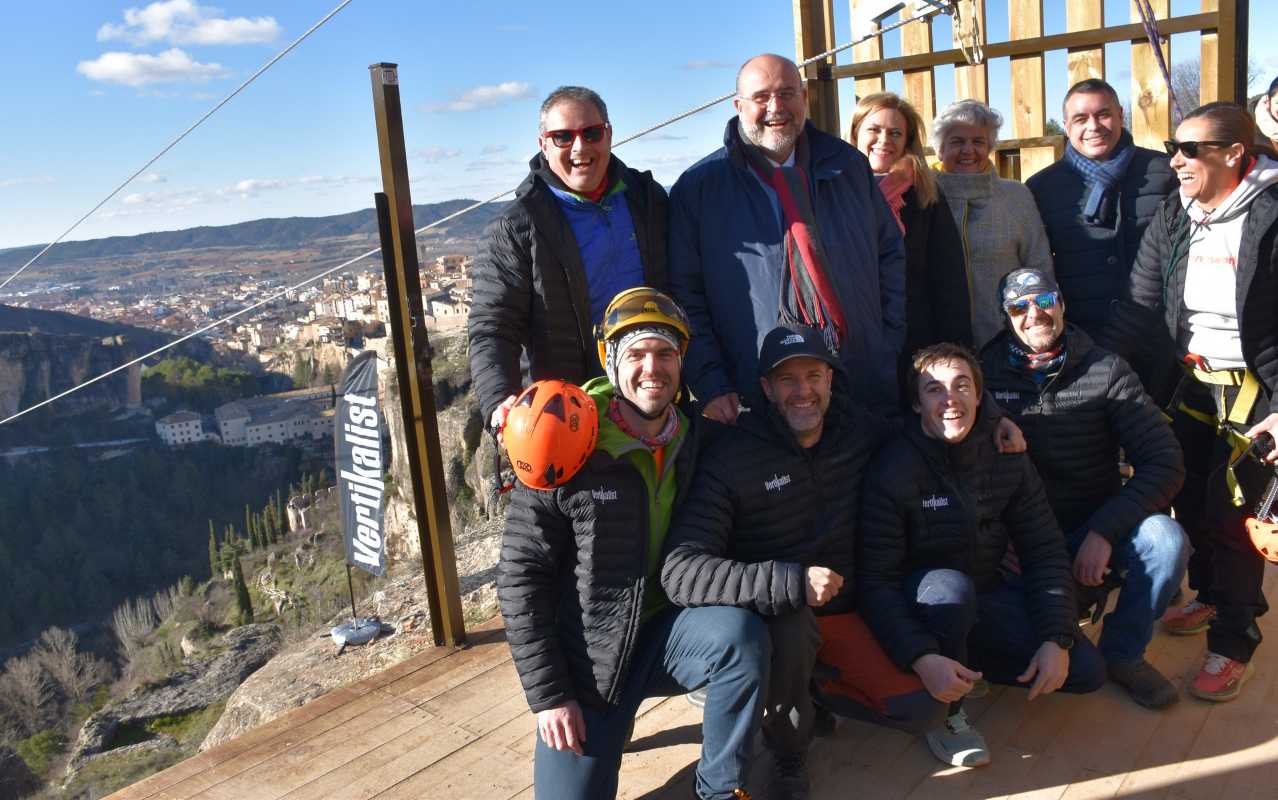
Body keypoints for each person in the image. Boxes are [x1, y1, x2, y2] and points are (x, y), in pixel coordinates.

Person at [499, 287, 769, 800]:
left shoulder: (696, 440)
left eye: (666, 353)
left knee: (740, 635)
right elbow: (520, 577)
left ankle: (719, 791)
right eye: (637, 354)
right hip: (590, 657)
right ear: (611, 360)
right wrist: (550, 695)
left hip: (669, 631)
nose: (653, 368)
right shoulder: (563, 437)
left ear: (682, 361)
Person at [661, 324, 891, 799]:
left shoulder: (859, 430)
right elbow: (681, 570)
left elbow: (932, 427)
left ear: (831, 378)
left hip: (849, 611)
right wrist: (789, 582)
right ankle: (788, 752)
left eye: (813, 375)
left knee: (916, 707)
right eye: (787, 380)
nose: (802, 391)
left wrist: (992, 418)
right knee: (789, 626)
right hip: (774, 620)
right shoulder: (732, 456)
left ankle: (814, 691)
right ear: (765, 388)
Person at [858, 343, 1104, 768]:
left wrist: (1057, 636)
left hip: (985, 595)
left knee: (1084, 670)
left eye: (961, 386)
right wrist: (919, 655)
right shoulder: (893, 469)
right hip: (923, 607)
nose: (950, 399)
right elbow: (875, 581)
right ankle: (945, 712)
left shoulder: (1005, 453)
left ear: (979, 396)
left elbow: (1043, 548)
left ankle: (968, 667)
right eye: (934, 390)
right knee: (949, 590)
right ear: (917, 404)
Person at [1119, 102, 1278, 702]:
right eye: (1171, 148)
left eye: (1191, 149)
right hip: (1186, 383)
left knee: (1234, 519)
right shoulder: (1177, 214)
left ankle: (1234, 642)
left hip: (1255, 391)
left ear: (1235, 153)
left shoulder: (1271, 214)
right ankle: (1210, 597)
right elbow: (1140, 303)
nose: (1176, 160)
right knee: (1186, 497)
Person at [980, 268, 1189, 708]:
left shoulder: (1106, 370)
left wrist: (1104, 531)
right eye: (1019, 307)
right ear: (1005, 317)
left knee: (1167, 542)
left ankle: (1124, 654)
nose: (1033, 314)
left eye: (1043, 300)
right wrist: (996, 538)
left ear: (1061, 303)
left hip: (1092, 526)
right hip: (1021, 543)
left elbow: (1165, 462)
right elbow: (964, 472)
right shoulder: (983, 378)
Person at [668, 53, 906, 419]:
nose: (776, 107)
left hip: (861, 384)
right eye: (761, 97)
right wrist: (712, 384)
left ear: (805, 97)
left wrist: (886, 344)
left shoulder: (848, 167)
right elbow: (686, 296)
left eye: (787, 93)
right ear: (738, 105)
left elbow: (889, 255)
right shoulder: (699, 190)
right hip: (758, 392)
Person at [469, 86, 669, 438]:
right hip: (566, 419)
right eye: (563, 137)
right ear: (543, 144)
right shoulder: (516, 227)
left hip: (653, 401)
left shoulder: (647, 199)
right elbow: (493, 326)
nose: (580, 147)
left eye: (591, 133)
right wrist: (500, 398)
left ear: (608, 134)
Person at [1025, 79, 1177, 338]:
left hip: (1158, 329)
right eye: (1080, 119)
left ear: (1120, 115)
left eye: (1103, 114)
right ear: (1066, 126)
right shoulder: (1042, 187)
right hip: (1082, 333)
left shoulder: (1164, 171)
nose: (1093, 126)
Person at [850, 92, 972, 391]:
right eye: (874, 130)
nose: (884, 140)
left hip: (914, 340)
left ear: (907, 141)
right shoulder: (833, 192)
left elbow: (948, 279)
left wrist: (955, 351)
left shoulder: (924, 195)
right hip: (852, 338)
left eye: (895, 133)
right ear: (855, 135)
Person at [931, 99, 1054, 348]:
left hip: (1008, 337)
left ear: (989, 147)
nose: (968, 150)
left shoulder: (1016, 196)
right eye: (957, 141)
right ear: (939, 149)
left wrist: (1042, 328)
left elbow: (1039, 267)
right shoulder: (923, 197)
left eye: (978, 141)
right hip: (938, 345)